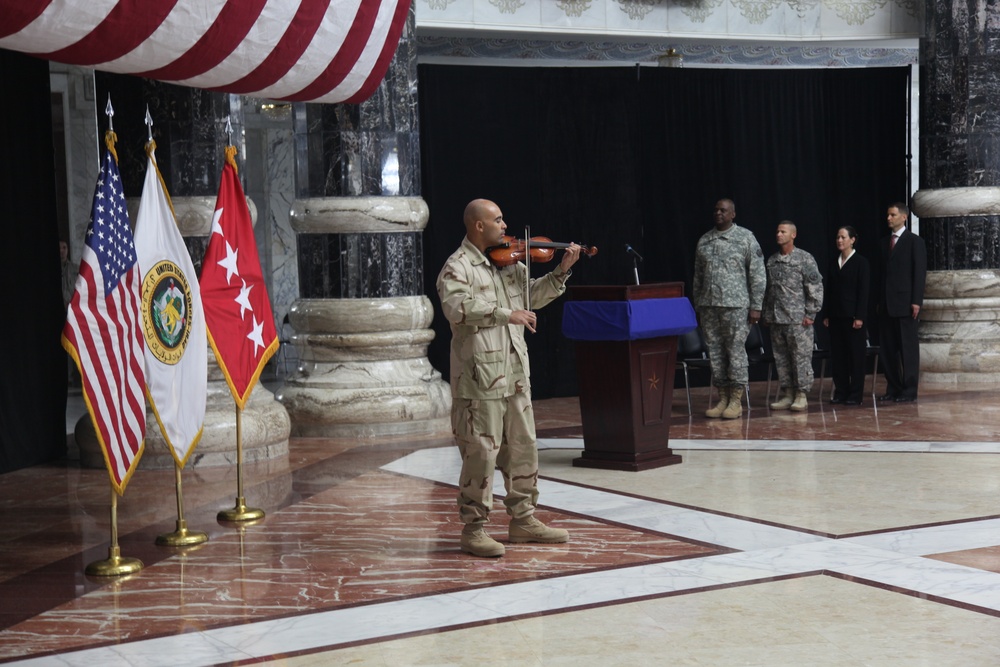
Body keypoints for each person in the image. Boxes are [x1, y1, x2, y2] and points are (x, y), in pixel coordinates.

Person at [436, 198, 582, 558]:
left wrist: (562, 270)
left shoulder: (508, 264)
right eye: (498, 220)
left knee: (523, 449)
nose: (505, 227)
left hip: (515, 374)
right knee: (481, 454)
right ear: (478, 226)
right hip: (479, 380)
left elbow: (534, 297)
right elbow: (457, 308)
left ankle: (524, 520)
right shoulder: (458, 267)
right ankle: (474, 529)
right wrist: (506, 314)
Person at [692, 198, 767, 419]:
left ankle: (736, 400)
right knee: (715, 353)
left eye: (723, 210)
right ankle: (722, 397)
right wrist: (698, 303)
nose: (718, 213)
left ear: (733, 214)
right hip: (709, 306)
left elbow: (758, 274)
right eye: (716, 210)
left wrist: (756, 306)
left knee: (735, 352)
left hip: (736, 306)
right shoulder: (705, 240)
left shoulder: (745, 237)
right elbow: (698, 276)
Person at [761, 221, 823, 412]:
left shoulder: (804, 258)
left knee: (800, 358)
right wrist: (766, 314)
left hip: (798, 320)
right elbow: (768, 291)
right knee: (781, 358)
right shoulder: (772, 261)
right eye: (777, 231)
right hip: (777, 319)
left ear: (793, 235)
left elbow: (815, 286)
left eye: (783, 231)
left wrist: (811, 313)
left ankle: (802, 394)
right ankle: (788, 393)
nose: (778, 234)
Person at [878, 203, 927, 403]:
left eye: (893, 214)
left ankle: (909, 390)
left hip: (906, 304)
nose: (889, 218)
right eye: (887, 215)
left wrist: (916, 301)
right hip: (887, 305)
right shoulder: (883, 243)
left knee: (908, 349)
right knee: (888, 350)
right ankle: (893, 387)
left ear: (904, 217)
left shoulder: (914, 242)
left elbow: (919, 273)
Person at [822, 226, 870, 406]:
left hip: (853, 318)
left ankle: (855, 394)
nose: (839, 240)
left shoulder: (861, 262)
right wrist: (826, 313)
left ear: (852, 239)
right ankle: (841, 391)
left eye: (843, 237)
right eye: (837, 237)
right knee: (838, 356)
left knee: (855, 357)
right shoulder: (834, 262)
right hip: (835, 316)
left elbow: (863, 292)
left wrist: (860, 316)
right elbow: (829, 290)